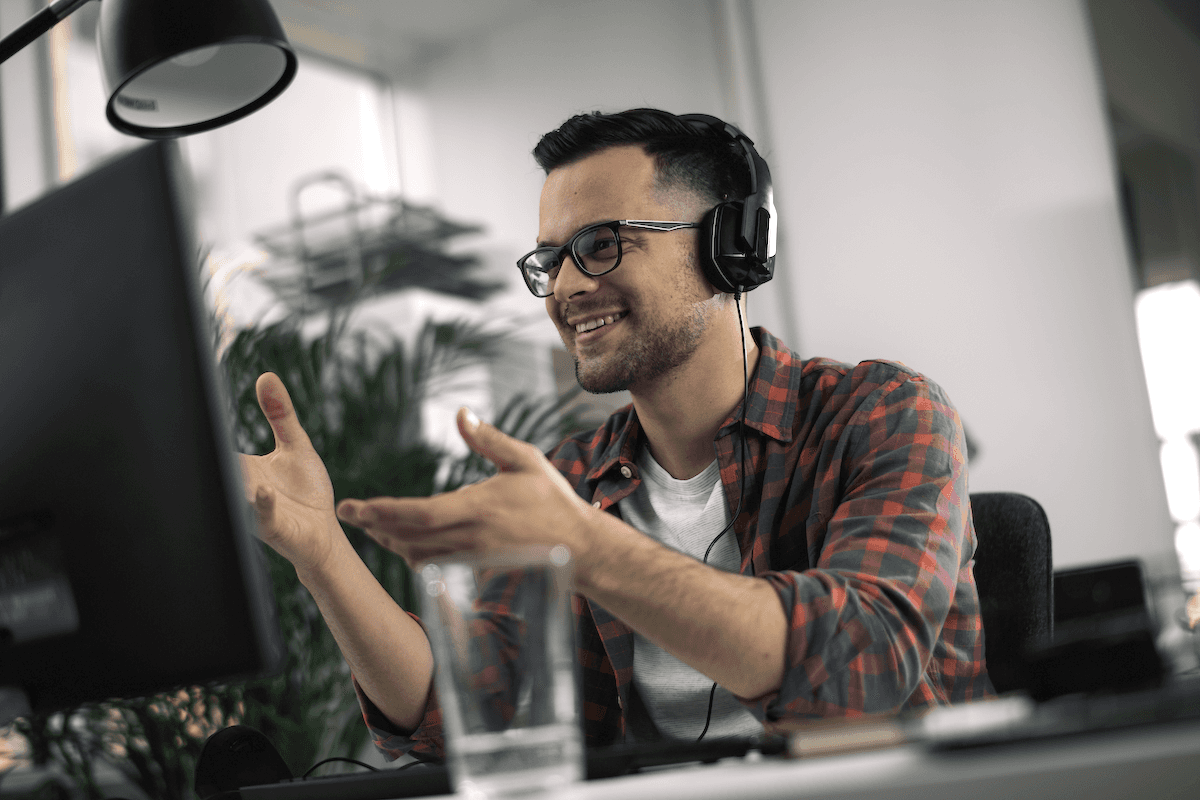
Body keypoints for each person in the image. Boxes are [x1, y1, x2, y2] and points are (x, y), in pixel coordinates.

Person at [239, 108, 993, 762]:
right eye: (548, 260)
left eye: (601, 244)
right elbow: (466, 715)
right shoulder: (570, 481)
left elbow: (861, 666)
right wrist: (322, 555)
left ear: (727, 247)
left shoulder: (884, 413)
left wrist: (586, 548)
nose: (565, 288)